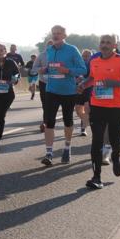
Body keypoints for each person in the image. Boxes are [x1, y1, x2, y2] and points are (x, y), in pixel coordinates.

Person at [80, 34, 120, 189]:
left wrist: (115, 83)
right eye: (102, 42)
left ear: (115, 45)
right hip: (97, 106)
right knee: (96, 141)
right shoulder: (94, 60)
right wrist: (84, 85)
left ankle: (115, 156)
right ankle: (96, 177)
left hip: (116, 108)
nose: (104, 45)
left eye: (108, 42)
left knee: (115, 140)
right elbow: (92, 78)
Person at [38, 26, 87, 166]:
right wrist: (45, 70)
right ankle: (49, 153)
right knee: (49, 121)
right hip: (51, 90)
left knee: (67, 120)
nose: (55, 35)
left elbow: (83, 69)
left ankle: (67, 147)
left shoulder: (72, 50)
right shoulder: (49, 50)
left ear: (64, 35)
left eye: (58, 33)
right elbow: (50, 68)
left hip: (68, 91)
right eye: (53, 33)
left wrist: (67, 70)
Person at [74, 48, 93, 138]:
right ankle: (88, 121)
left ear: (91, 57)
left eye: (87, 56)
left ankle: (83, 128)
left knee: (86, 108)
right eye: (83, 56)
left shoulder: (93, 64)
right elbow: (73, 74)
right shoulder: (78, 64)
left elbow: (92, 77)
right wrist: (75, 79)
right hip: (79, 88)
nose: (85, 57)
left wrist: (84, 80)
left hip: (89, 88)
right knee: (78, 110)